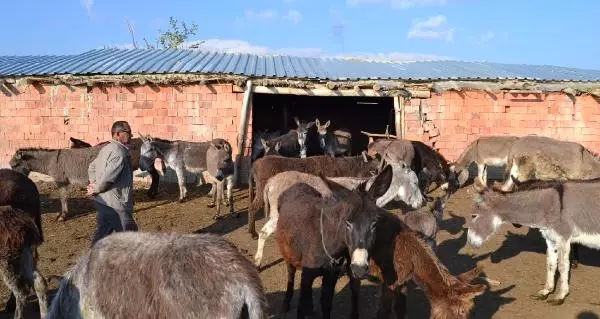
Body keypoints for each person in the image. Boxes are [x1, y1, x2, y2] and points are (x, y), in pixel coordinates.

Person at [87, 120, 139, 246]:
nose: (131, 135)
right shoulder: (119, 153)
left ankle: (92, 259)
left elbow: (91, 167)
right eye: (128, 132)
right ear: (117, 134)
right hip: (115, 204)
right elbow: (108, 179)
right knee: (131, 237)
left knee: (102, 234)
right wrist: (96, 188)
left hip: (102, 202)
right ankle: (131, 264)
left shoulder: (108, 148)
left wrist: (93, 184)